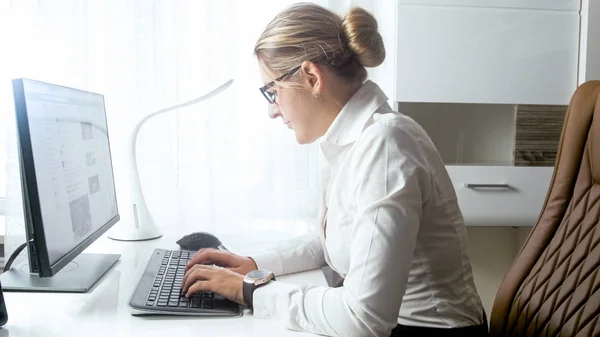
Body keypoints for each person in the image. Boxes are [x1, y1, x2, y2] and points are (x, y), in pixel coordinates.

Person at [182, 2, 488, 337]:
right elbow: (331, 243)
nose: (272, 111)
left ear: (312, 77)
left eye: (273, 92)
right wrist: (255, 266)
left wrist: (252, 292)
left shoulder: (386, 145)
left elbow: (363, 319)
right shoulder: (347, 139)